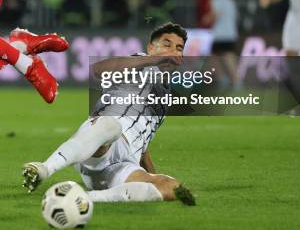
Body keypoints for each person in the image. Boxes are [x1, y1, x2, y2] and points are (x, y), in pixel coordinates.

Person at [22, 23, 195, 205]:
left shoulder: (165, 96)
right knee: (111, 126)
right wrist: (154, 60)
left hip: (124, 164)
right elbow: (99, 69)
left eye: (178, 48)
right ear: (151, 47)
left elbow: (142, 142)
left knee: (172, 187)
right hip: (101, 145)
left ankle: (86, 198)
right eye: (167, 45)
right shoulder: (138, 63)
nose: (173, 51)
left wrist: (151, 174)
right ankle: (44, 169)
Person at [204, 0, 239, 86]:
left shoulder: (217, 0)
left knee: (227, 58)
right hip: (229, 34)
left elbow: (213, 16)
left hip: (220, 35)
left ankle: (234, 81)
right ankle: (224, 79)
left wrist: (206, 19)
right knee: (214, 57)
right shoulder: (230, 0)